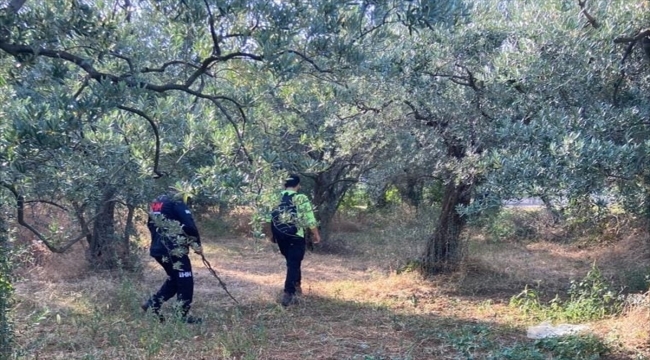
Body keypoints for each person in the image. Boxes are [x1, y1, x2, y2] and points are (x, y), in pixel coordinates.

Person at [141, 190, 203, 323]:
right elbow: (189, 225)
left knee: (175, 279)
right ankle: (181, 317)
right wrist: (197, 244)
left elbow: (150, 224)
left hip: (158, 249)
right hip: (175, 250)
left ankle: (152, 304)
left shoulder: (157, 202)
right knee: (185, 282)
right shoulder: (177, 202)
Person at [266, 174, 321, 307]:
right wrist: (316, 234)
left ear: (284, 185)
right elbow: (309, 218)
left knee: (292, 262)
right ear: (298, 185)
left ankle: (297, 286)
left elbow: (268, 219)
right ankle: (288, 293)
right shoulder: (301, 198)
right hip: (296, 235)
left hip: (280, 236)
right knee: (293, 263)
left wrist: (271, 235)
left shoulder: (275, 198)